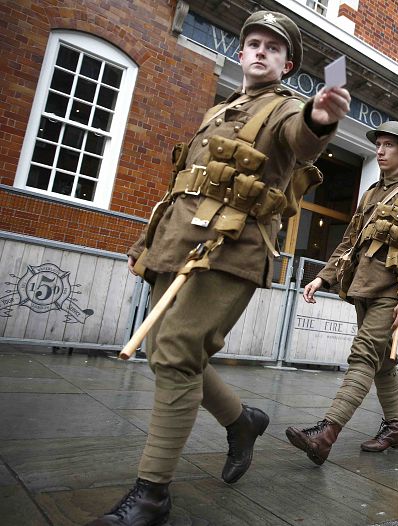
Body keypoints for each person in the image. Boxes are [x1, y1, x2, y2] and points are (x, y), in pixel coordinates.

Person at [92, 11, 352, 526]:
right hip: (177, 240)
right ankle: (242, 422)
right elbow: (181, 183)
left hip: (230, 248)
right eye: (252, 43)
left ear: (288, 63)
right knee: (163, 350)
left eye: (272, 48)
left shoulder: (284, 109)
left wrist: (322, 117)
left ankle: (152, 494)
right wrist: (146, 243)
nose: (260, 52)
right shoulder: (218, 112)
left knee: (176, 354)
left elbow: (302, 138)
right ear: (240, 53)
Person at [285, 121, 398, 465]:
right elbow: (349, 242)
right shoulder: (371, 193)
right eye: (378, 144)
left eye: (388, 146)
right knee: (382, 362)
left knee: (364, 355)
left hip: (391, 291)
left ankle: (326, 433)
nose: (380, 151)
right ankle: (395, 428)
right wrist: (324, 278)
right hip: (362, 288)